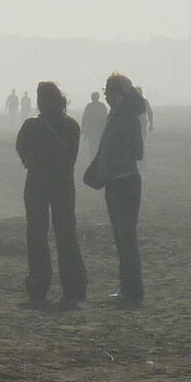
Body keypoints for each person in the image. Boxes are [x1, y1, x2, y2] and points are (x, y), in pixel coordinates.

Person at [14, 81, 87, 310]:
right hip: (63, 184)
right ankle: (74, 289)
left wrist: (32, 161)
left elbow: (21, 148)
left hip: (37, 183)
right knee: (66, 235)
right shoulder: (71, 125)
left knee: (37, 235)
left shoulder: (31, 126)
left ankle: (38, 289)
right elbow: (72, 157)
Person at [83, 72, 150, 306]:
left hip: (125, 182)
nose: (106, 96)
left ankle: (132, 290)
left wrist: (112, 162)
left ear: (120, 95)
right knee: (121, 238)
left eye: (109, 92)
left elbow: (137, 151)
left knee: (126, 238)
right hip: (115, 182)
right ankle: (127, 288)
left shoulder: (127, 117)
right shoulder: (117, 115)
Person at [81, 89, 110, 157]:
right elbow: (85, 118)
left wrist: (83, 128)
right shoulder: (93, 106)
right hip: (93, 129)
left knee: (96, 146)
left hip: (99, 129)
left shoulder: (98, 106)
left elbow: (105, 118)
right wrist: (83, 128)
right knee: (93, 146)